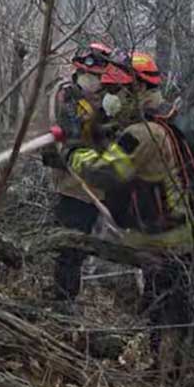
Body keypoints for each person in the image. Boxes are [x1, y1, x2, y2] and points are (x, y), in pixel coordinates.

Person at [58, 51, 194, 376]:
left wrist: (73, 151)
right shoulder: (174, 117)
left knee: (164, 315)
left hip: (172, 245)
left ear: (134, 90)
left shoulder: (143, 134)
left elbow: (104, 172)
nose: (109, 97)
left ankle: (169, 380)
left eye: (115, 91)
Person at [42, 42, 116, 303]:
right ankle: (64, 302)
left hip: (101, 186)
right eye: (94, 77)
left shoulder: (106, 101)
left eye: (100, 77)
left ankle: (94, 289)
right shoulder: (68, 98)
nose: (97, 83)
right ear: (81, 73)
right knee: (71, 248)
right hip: (75, 188)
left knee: (94, 245)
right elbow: (70, 141)